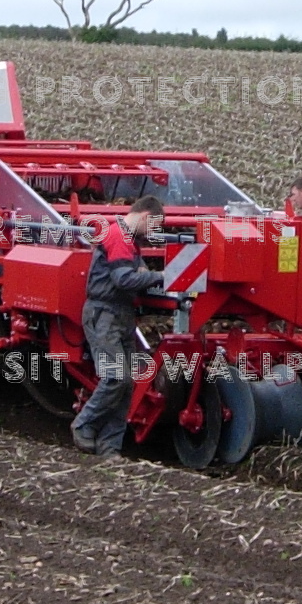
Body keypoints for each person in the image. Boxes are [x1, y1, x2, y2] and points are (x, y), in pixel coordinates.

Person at [69, 195, 169, 457]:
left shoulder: (130, 242)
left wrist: (149, 277)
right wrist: (163, 276)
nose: (154, 234)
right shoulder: (119, 236)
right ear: (146, 216)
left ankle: (109, 447)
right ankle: (83, 425)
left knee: (127, 382)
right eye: (155, 227)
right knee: (116, 377)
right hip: (104, 314)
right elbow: (124, 279)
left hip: (119, 314)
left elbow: (135, 276)